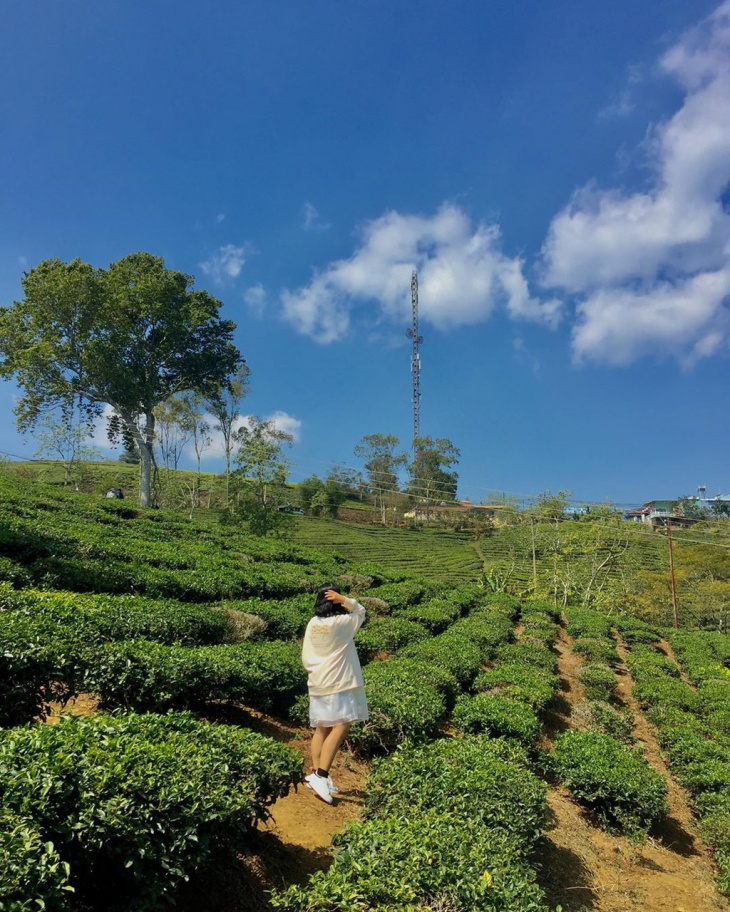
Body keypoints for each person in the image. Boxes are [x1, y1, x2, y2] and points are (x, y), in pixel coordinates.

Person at [301, 585, 368, 804]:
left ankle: (315, 773)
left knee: (322, 727)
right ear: (336, 602)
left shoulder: (313, 623)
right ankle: (322, 775)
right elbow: (361, 612)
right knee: (342, 725)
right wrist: (345, 599)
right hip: (338, 682)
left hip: (318, 681)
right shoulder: (342, 623)